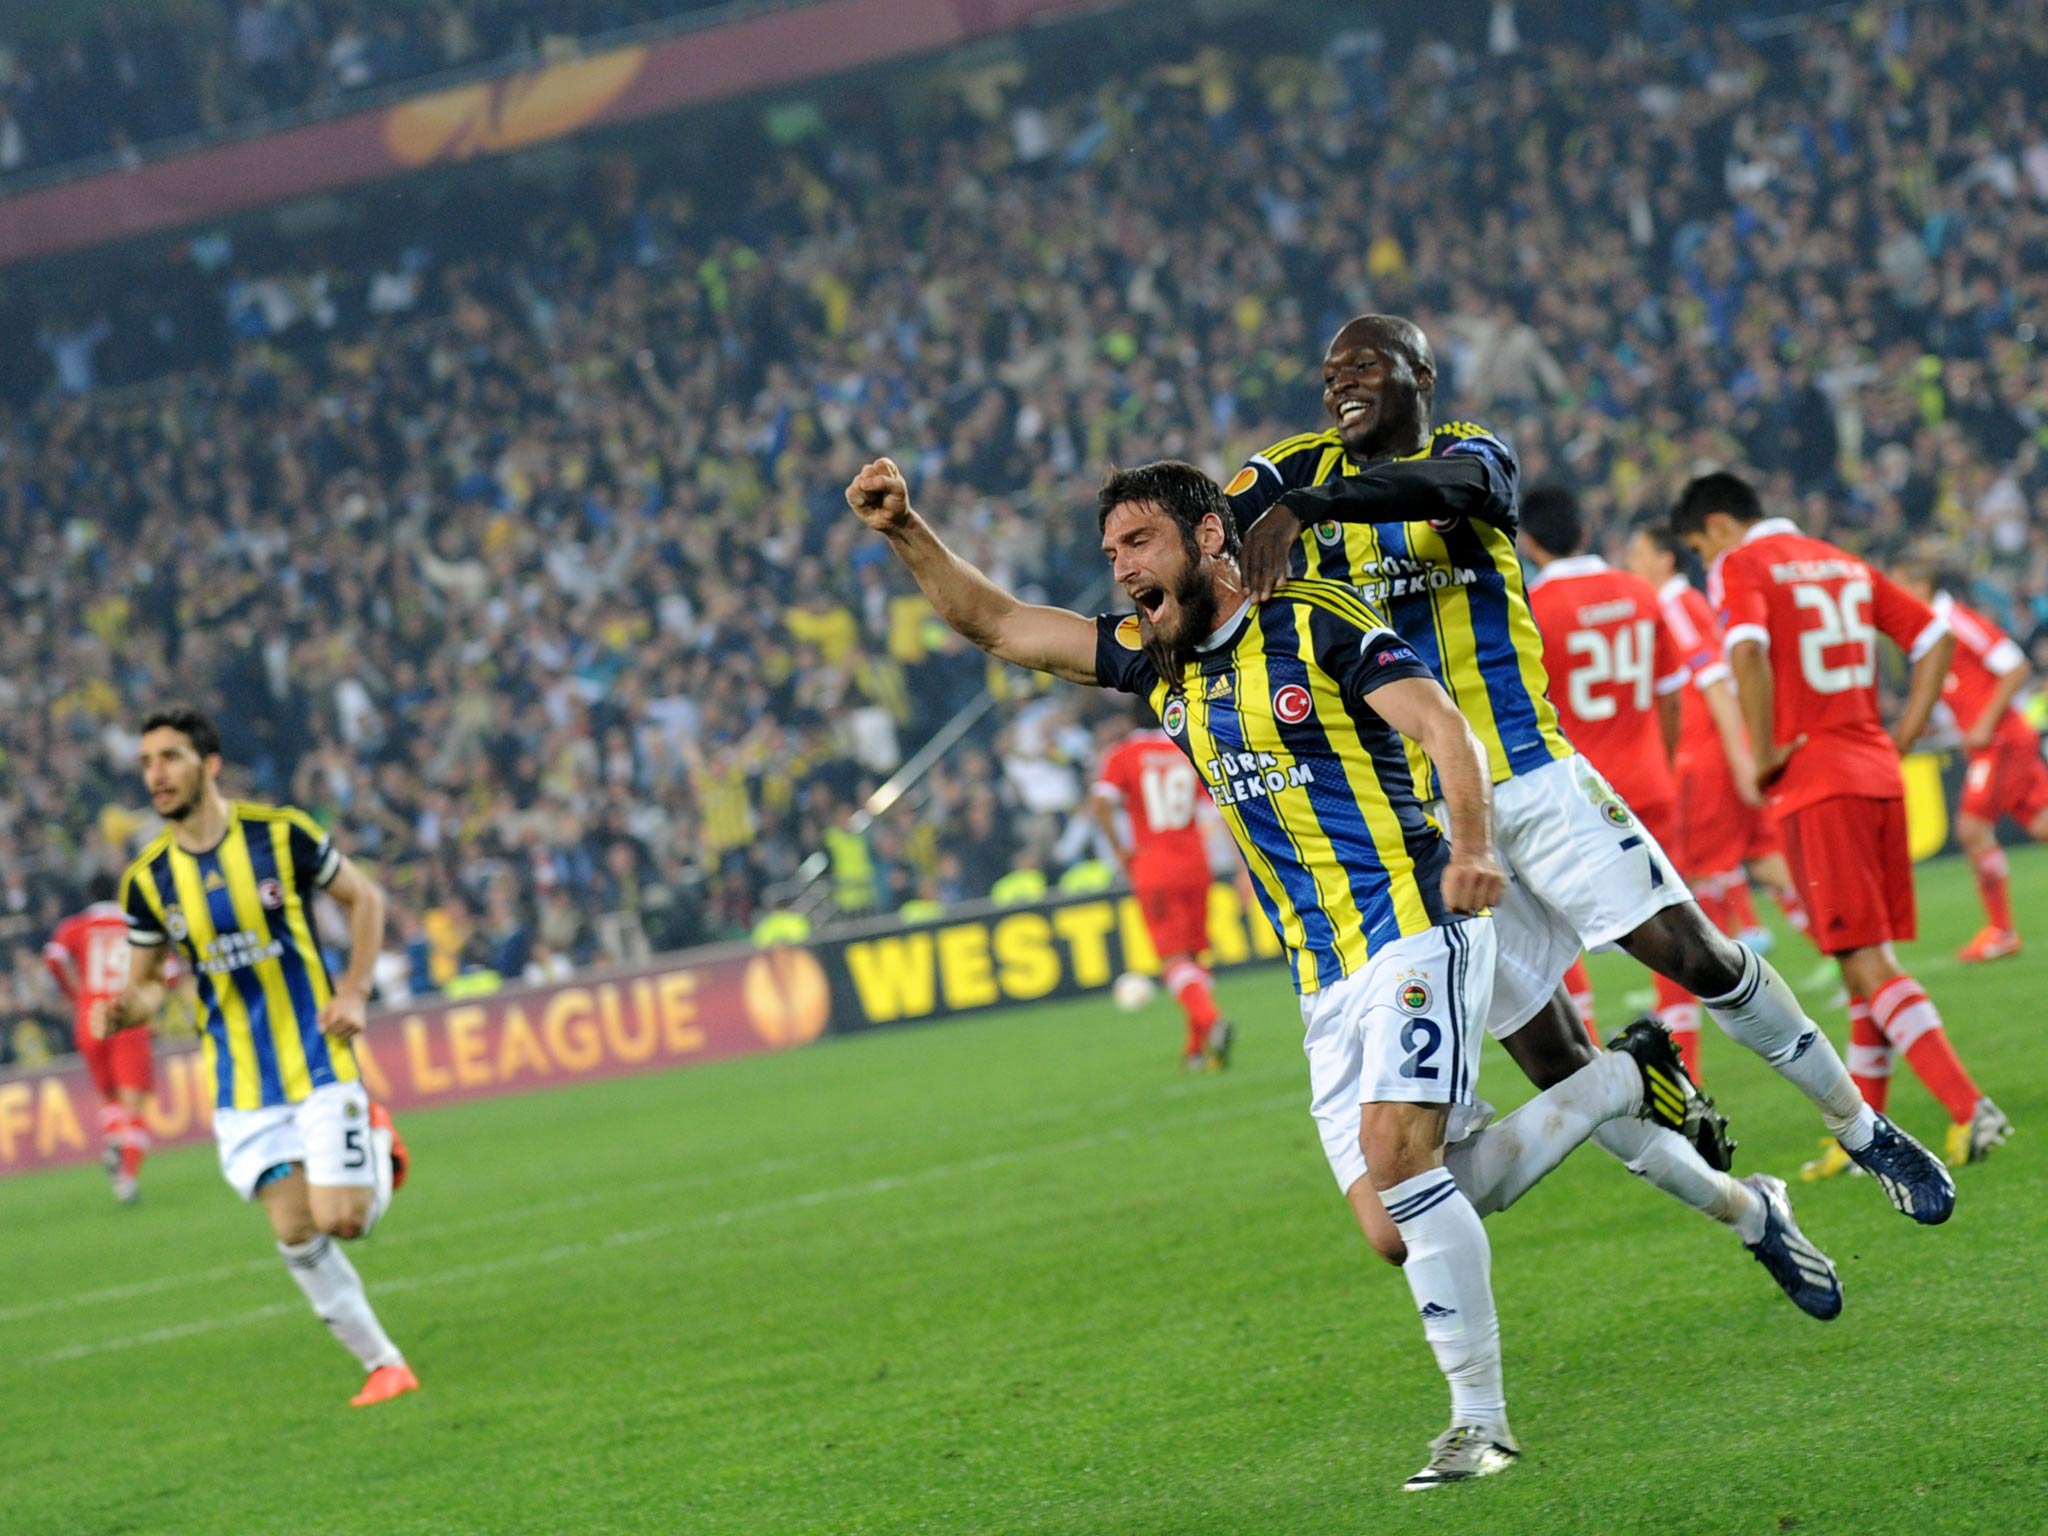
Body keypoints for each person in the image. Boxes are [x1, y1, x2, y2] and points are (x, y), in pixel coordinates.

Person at [849, 450, 1757, 1490]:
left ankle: (1479, 1425)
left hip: (1413, 921)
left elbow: (1441, 726)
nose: (1118, 571)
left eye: (1136, 542)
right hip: (1323, 973)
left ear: (1203, 538)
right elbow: (1001, 624)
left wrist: (1473, 848)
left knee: (1398, 1156)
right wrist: (902, 529)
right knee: (1392, 1223)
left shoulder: (1312, 619)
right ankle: (1612, 1078)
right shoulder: (1155, 659)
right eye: (1107, 553)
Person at [1233, 313, 1953, 1226]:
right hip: (1429, 831)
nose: (1340, 382)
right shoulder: (1295, 465)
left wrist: (1315, 509)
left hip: (1532, 776)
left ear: (1422, 374)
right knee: (1556, 1060)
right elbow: (1221, 518)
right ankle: (1745, 1214)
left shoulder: (1471, 452)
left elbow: (1474, 485)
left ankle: (1858, 1125)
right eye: (1328, 370)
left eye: (1364, 365)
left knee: (1696, 955)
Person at [1672, 472, 2011, 1175]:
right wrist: (1905, 738)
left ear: (1720, 527)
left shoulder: (1744, 565)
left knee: (1864, 959)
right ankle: (1865, 1137)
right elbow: (1935, 639)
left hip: (1818, 785)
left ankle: (1968, 1105)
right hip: (1878, 777)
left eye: (1701, 548)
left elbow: (1746, 652)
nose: (1707, 563)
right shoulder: (1840, 558)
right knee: (1859, 960)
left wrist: (1764, 753)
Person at [105, 707, 421, 1407]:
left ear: (208, 764)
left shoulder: (281, 835)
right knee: (292, 1227)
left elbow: (363, 897)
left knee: (347, 1219)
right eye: (147, 762)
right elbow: (150, 986)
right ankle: (385, 1365)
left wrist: (358, 991)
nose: (155, 774)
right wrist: (129, 1009)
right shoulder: (149, 880)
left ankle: (377, 1138)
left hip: (317, 1059)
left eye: (169, 758)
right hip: (242, 1086)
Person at [1518, 486, 1704, 1074]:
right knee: (1676, 928)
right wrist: (1661, 762)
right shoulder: (1640, 592)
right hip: (1650, 782)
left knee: (1553, 935)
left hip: (1573, 796)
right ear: (1585, 529)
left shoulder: (1529, 607)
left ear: (1527, 541)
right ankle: (1687, 1075)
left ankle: (1596, 1076)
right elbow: (1670, 697)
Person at [1622, 518, 1816, 965]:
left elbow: (1713, 682)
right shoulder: (1690, 601)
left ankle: (1721, 964)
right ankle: (1838, 952)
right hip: (1726, 748)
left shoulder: (1671, 605)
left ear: (1663, 559)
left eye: (1637, 553)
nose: (1631, 563)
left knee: (1697, 866)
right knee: (1764, 857)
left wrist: (1738, 756)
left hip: (1704, 753)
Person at [1891, 561, 2045, 963]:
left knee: (1972, 828)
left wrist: (1983, 723)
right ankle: (2002, 931)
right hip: (1994, 742)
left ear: (1921, 583)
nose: (1893, 592)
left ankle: (2002, 932)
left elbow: (2015, 666)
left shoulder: (1958, 621)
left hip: (2002, 740)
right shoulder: (1929, 633)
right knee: (2043, 824)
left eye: (1899, 582)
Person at [1089, 704, 1236, 1070]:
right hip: (1196, 864)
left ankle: (1212, 1020)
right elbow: (1216, 812)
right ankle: (1196, 1051)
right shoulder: (1185, 752)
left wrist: (1120, 849)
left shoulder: (1123, 755)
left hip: (1154, 866)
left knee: (1174, 961)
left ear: (1129, 720)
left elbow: (1101, 801)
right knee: (1194, 958)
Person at [45, 874, 162, 1202]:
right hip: (127, 1021)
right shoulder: (134, 926)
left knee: (109, 1100)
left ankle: (114, 1143)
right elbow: (167, 972)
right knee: (133, 1104)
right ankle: (126, 1178)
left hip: (90, 1018)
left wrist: (74, 994)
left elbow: (53, 955)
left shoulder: (76, 926)